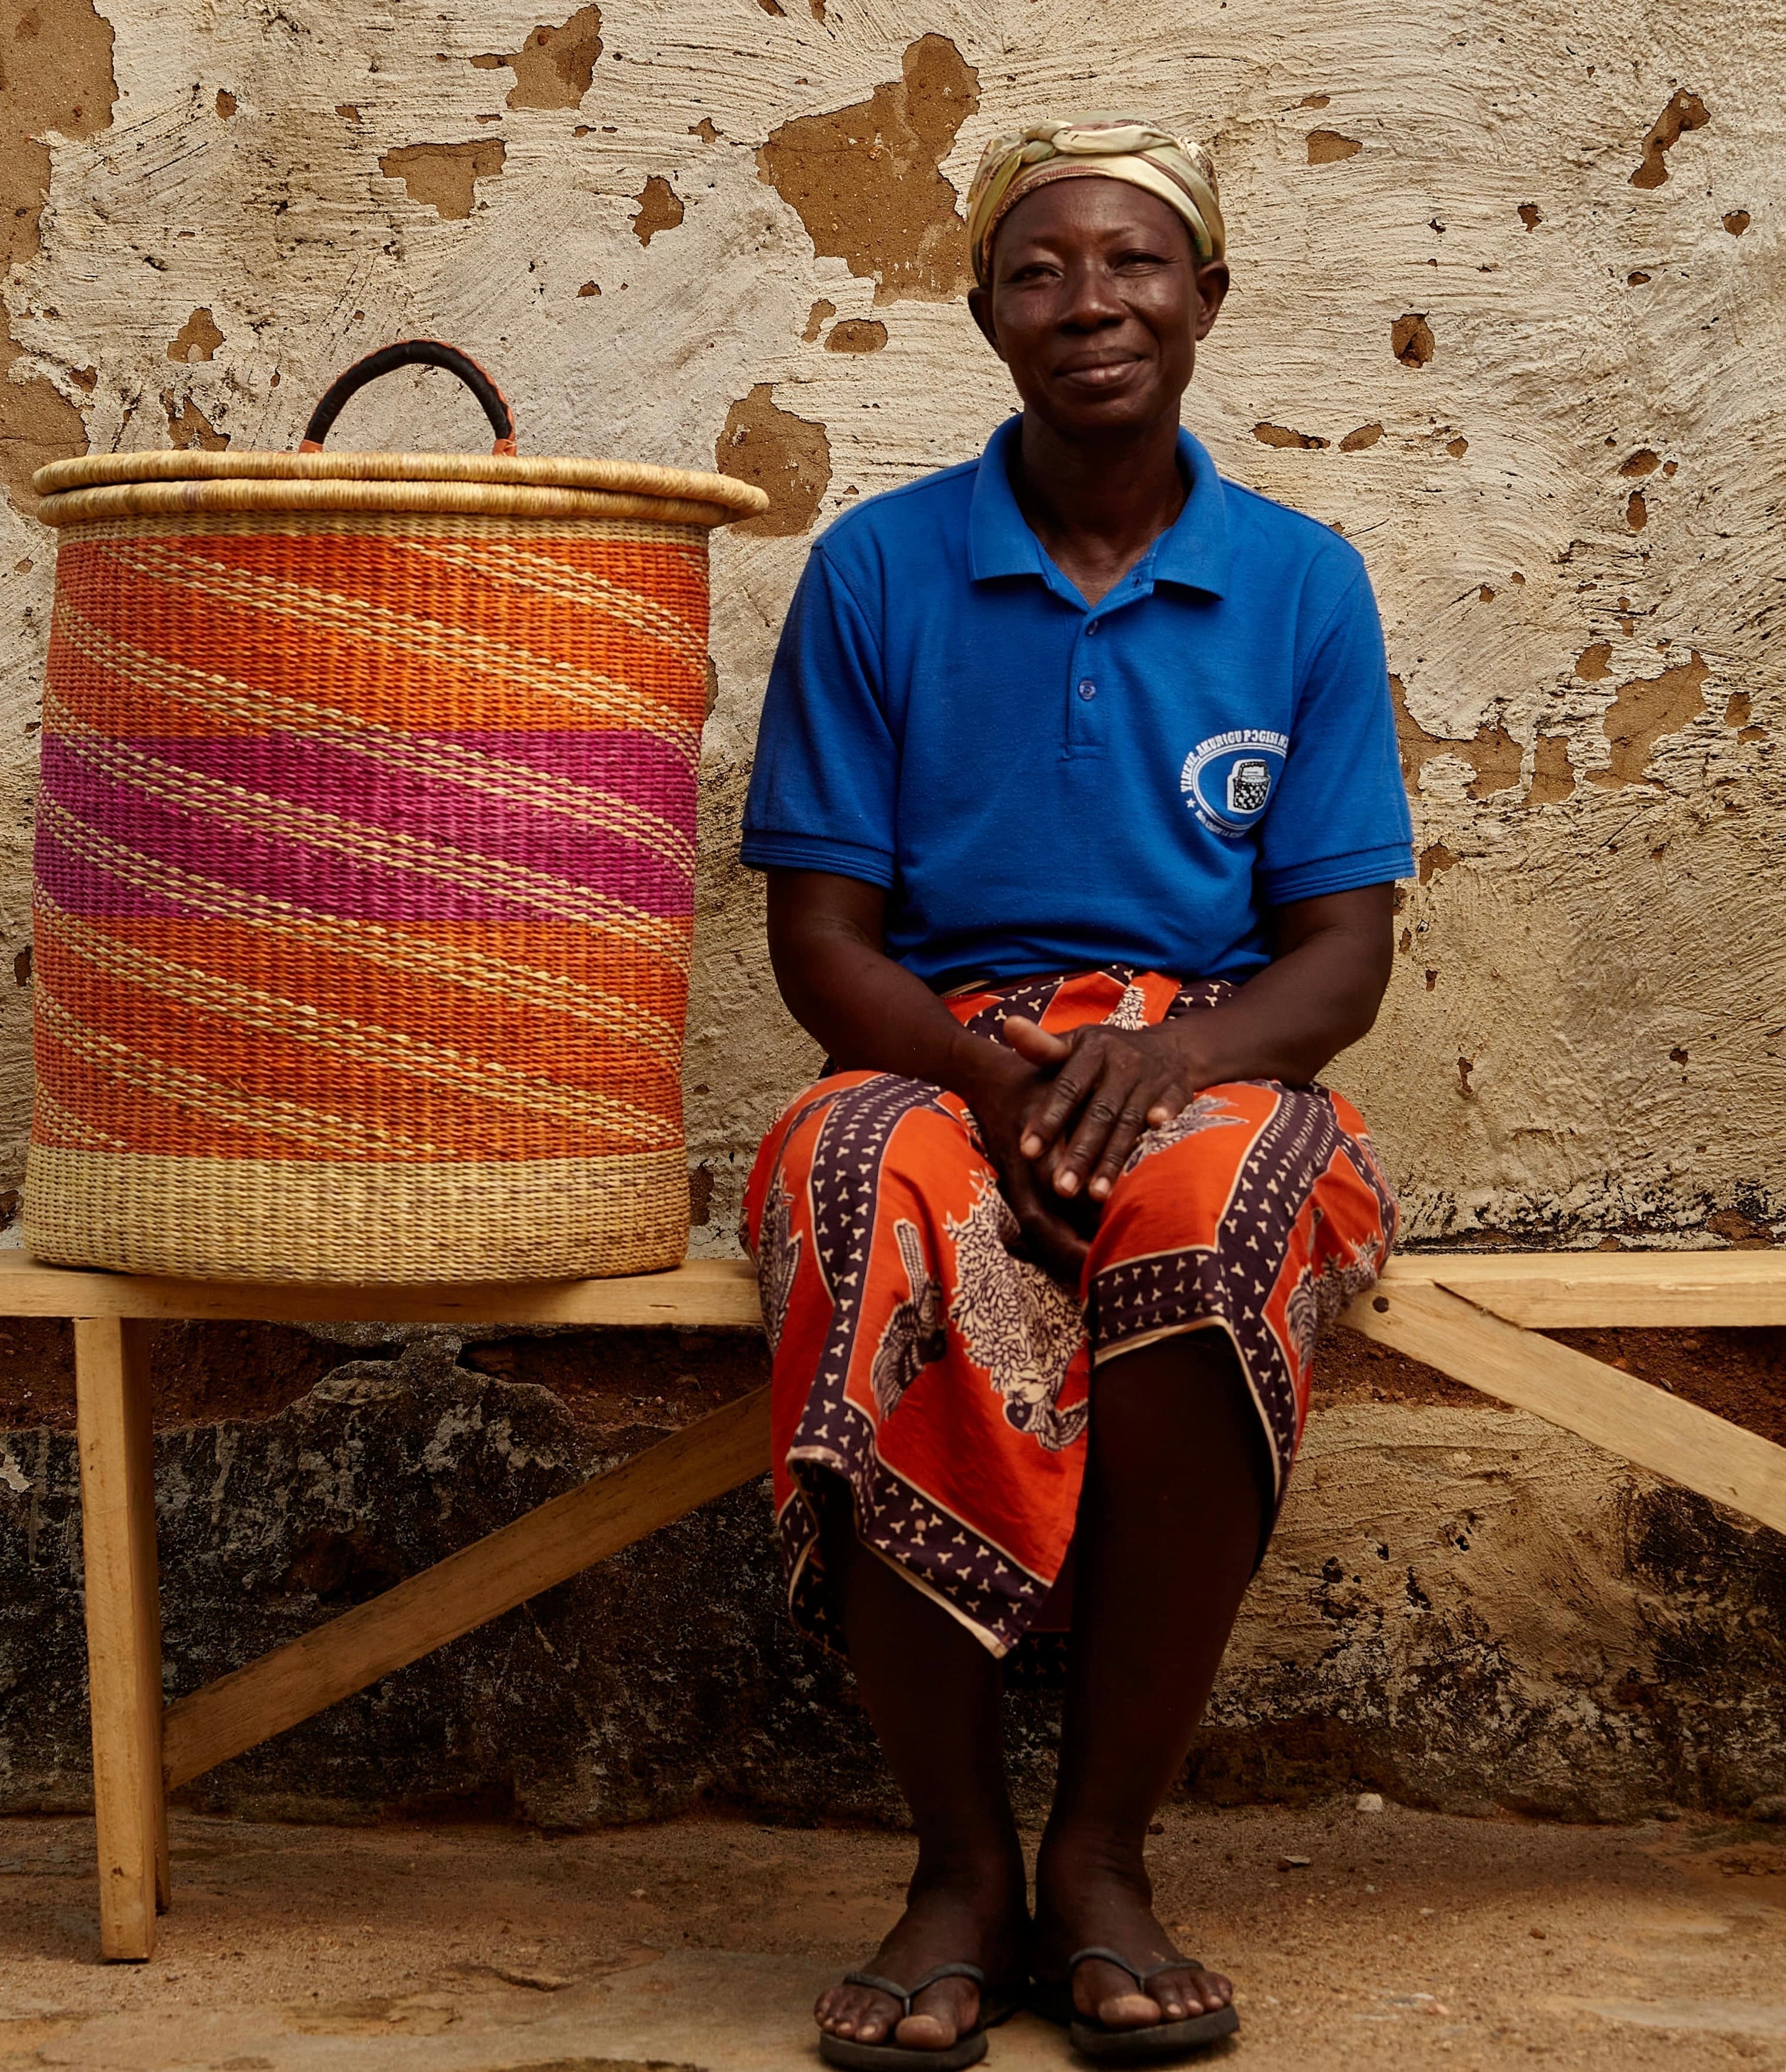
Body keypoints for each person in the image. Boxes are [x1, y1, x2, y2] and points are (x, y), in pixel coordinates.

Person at [738, 117, 1414, 2068]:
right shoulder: (877, 570)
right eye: (1038, 270)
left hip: (1206, 1049)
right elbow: (820, 941)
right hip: (934, 1049)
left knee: (1217, 1212)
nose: (1089, 301)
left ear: (1205, 300)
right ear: (986, 319)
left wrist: (1169, 1061)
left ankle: (1101, 1855)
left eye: (1132, 263)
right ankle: (956, 1867)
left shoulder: (1296, 583)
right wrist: (989, 1076)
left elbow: (1338, 959)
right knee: (864, 1192)